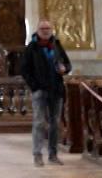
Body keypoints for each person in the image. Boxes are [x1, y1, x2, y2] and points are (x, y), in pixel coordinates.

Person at [20, 20, 72, 166]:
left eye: (48, 28)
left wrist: (65, 69)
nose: (45, 31)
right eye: (42, 28)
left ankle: (53, 154)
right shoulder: (32, 47)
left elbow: (68, 64)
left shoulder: (56, 45)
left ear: (52, 29)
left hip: (56, 89)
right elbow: (24, 69)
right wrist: (34, 86)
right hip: (40, 90)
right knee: (39, 122)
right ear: (37, 30)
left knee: (55, 123)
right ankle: (37, 154)